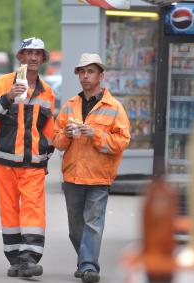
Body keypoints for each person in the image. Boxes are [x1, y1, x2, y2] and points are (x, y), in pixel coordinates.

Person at [0, 37, 55, 278]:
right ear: (20, 57)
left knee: (33, 209)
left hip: (33, 164)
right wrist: (9, 97)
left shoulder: (47, 92)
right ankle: (15, 260)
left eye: (38, 53)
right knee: (10, 212)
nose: (32, 57)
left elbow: (48, 129)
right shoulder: (2, 84)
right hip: (4, 163)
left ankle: (29, 258)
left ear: (43, 59)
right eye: (28, 53)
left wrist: (47, 156)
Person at [53, 53, 131, 283]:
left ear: (101, 75)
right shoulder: (69, 106)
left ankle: (89, 267)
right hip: (73, 176)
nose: (86, 76)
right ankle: (84, 260)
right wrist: (65, 135)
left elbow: (122, 142)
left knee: (93, 224)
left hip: (99, 176)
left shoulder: (114, 107)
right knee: (75, 227)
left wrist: (96, 134)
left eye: (91, 72)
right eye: (82, 72)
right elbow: (56, 140)